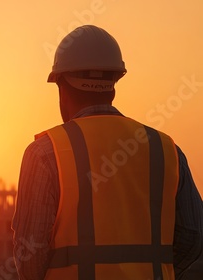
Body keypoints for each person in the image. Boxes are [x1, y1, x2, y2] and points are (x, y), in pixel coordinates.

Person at [12, 25, 203, 280]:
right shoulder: (166, 150)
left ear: (61, 86)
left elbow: (30, 257)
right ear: (114, 85)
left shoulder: (46, 154)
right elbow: (193, 235)